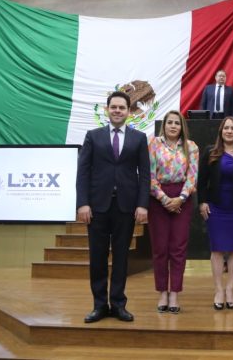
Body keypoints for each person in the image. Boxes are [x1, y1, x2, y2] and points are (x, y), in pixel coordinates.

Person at [76, 90, 149, 323]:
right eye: (114, 107)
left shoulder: (139, 138)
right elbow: (83, 173)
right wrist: (82, 203)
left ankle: (118, 304)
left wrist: (142, 205)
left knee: (121, 259)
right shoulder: (92, 136)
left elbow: (145, 175)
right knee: (97, 258)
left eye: (122, 107)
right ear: (107, 110)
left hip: (126, 208)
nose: (118, 111)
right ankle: (99, 305)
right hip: (96, 207)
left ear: (129, 112)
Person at [197, 116, 233, 310]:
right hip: (216, 206)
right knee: (217, 250)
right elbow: (202, 179)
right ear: (221, 131)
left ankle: (230, 289)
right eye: (226, 128)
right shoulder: (210, 152)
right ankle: (219, 290)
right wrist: (202, 202)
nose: (229, 131)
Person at [148, 110, 199, 314]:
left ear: (182, 127)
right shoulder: (153, 144)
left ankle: (175, 293)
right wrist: (164, 199)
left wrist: (181, 198)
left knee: (178, 248)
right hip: (157, 198)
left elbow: (192, 176)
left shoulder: (191, 147)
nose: (173, 126)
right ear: (164, 125)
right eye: (169, 122)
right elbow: (149, 176)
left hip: (182, 198)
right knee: (160, 248)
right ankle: (162, 292)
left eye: (177, 123)